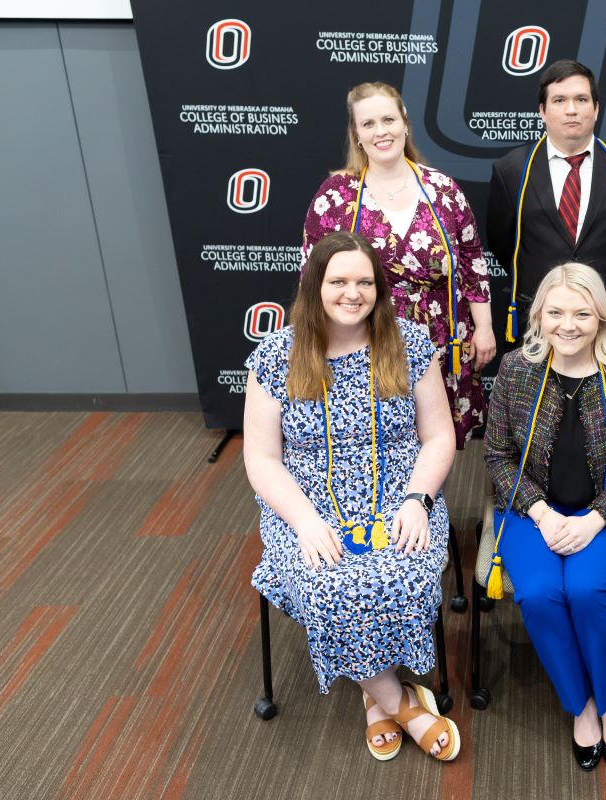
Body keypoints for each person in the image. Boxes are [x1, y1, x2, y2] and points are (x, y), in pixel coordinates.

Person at [243, 231, 461, 763]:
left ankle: (373, 696)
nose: (352, 292)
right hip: (304, 504)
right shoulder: (275, 355)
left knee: (402, 570)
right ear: (314, 285)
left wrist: (417, 500)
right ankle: (400, 701)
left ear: (378, 289)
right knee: (326, 583)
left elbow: (439, 438)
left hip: (399, 494)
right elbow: (262, 459)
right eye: (338, 280)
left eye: (364, 281)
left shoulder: (408, 343)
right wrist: (304, 522)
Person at [483, 263, 606, 770]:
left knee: (585, 590)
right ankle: (581, 706)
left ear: (601, 319)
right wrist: (540, 513)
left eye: (582, 313)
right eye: (555, 311)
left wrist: (593, 519)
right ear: (537, 315)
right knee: (541, 593)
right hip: (530, 511)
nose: (568, 324)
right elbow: (497, 456)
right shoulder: (517, 371)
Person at [302, 82, 495, 451]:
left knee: (438, 437)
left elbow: (472, 263)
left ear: (405, 124)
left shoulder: (443, 190)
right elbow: (312, 279)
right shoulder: (336, 197)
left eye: (388, 119)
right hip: (368, 337)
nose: (381, 132)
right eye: (369, 123)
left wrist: (483, 328)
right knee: (379, 437)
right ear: (356, 135)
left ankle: (430, 507)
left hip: (443, 339)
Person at [487, 60, 606, 342]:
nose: (571, 109)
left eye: (581, 99)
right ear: (542, 110)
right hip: (538, 318)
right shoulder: (511, 170)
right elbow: (503, 244)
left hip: (605, 320)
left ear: (596, 108)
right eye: (559, 100)